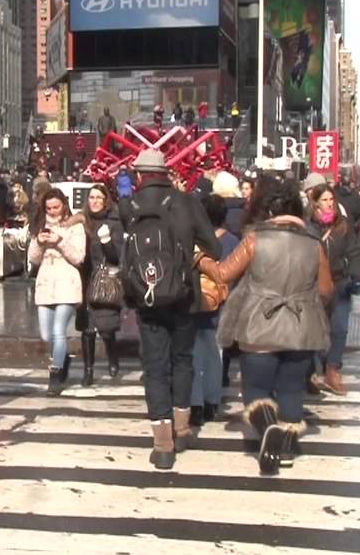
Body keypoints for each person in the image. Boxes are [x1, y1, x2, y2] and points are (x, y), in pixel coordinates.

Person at [196, 176, 332, 475]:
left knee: (257, 388)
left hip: (260, 326)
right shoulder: (314, 244)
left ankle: (268, 428)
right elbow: (325, 289)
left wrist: (201, 260)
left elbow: (224, 273)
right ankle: (285, 449)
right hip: (301, 327)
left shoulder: (255, 239)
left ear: (266, 210)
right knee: (291, 391)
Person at [121, 150, 220, 469]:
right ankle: (182, 427)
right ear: (165, 173)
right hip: (184, 296)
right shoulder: (187, 202)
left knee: (154, 367)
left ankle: (162, 445)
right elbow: (214, 248)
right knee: (182, 359)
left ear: (139, 175)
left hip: (146, 297)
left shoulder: (130, 206)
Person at [306, 183, 360, 396]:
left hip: (339, 282)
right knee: (316, 328)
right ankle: (312, 371)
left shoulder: (343, 225)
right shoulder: (308, 227)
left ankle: (333, 369)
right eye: (324, 200)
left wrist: (357, 274)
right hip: (314, 285)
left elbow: (354, 251)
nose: (329, 204)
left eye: (332, 200)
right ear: (316, 203)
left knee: (339, 328)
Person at [28, 188, 85, 396]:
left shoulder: (75, 226)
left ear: (64, 205)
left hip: (67, 281)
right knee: (46, 334)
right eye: (49, 208)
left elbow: (79, 257)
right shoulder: (40, 226)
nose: (52, 212)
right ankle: (64, 358)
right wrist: (39, 242)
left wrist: (59, 241)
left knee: (59, 330)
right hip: (45, 283)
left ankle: (55, 375)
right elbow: (33, 259)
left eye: (56, 207)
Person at [190, 195, 240, 422]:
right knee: (215, 355)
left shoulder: (193, 241)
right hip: (223, 306)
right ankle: (212, 401)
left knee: (195, 356)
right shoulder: (232, 242)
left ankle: (195, 403)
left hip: (195, 303)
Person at [76, 184, 123, 386]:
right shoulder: (81, 221)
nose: (94, 201)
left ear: (105, 200)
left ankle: (113, 356)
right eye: (91, 197)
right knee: (87, 329)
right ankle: (88, 371)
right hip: (83, 278)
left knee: (106, 328)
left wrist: (105, 240)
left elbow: (116, 256)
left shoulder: (113, 223)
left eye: (98, 198)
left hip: (103, 278)